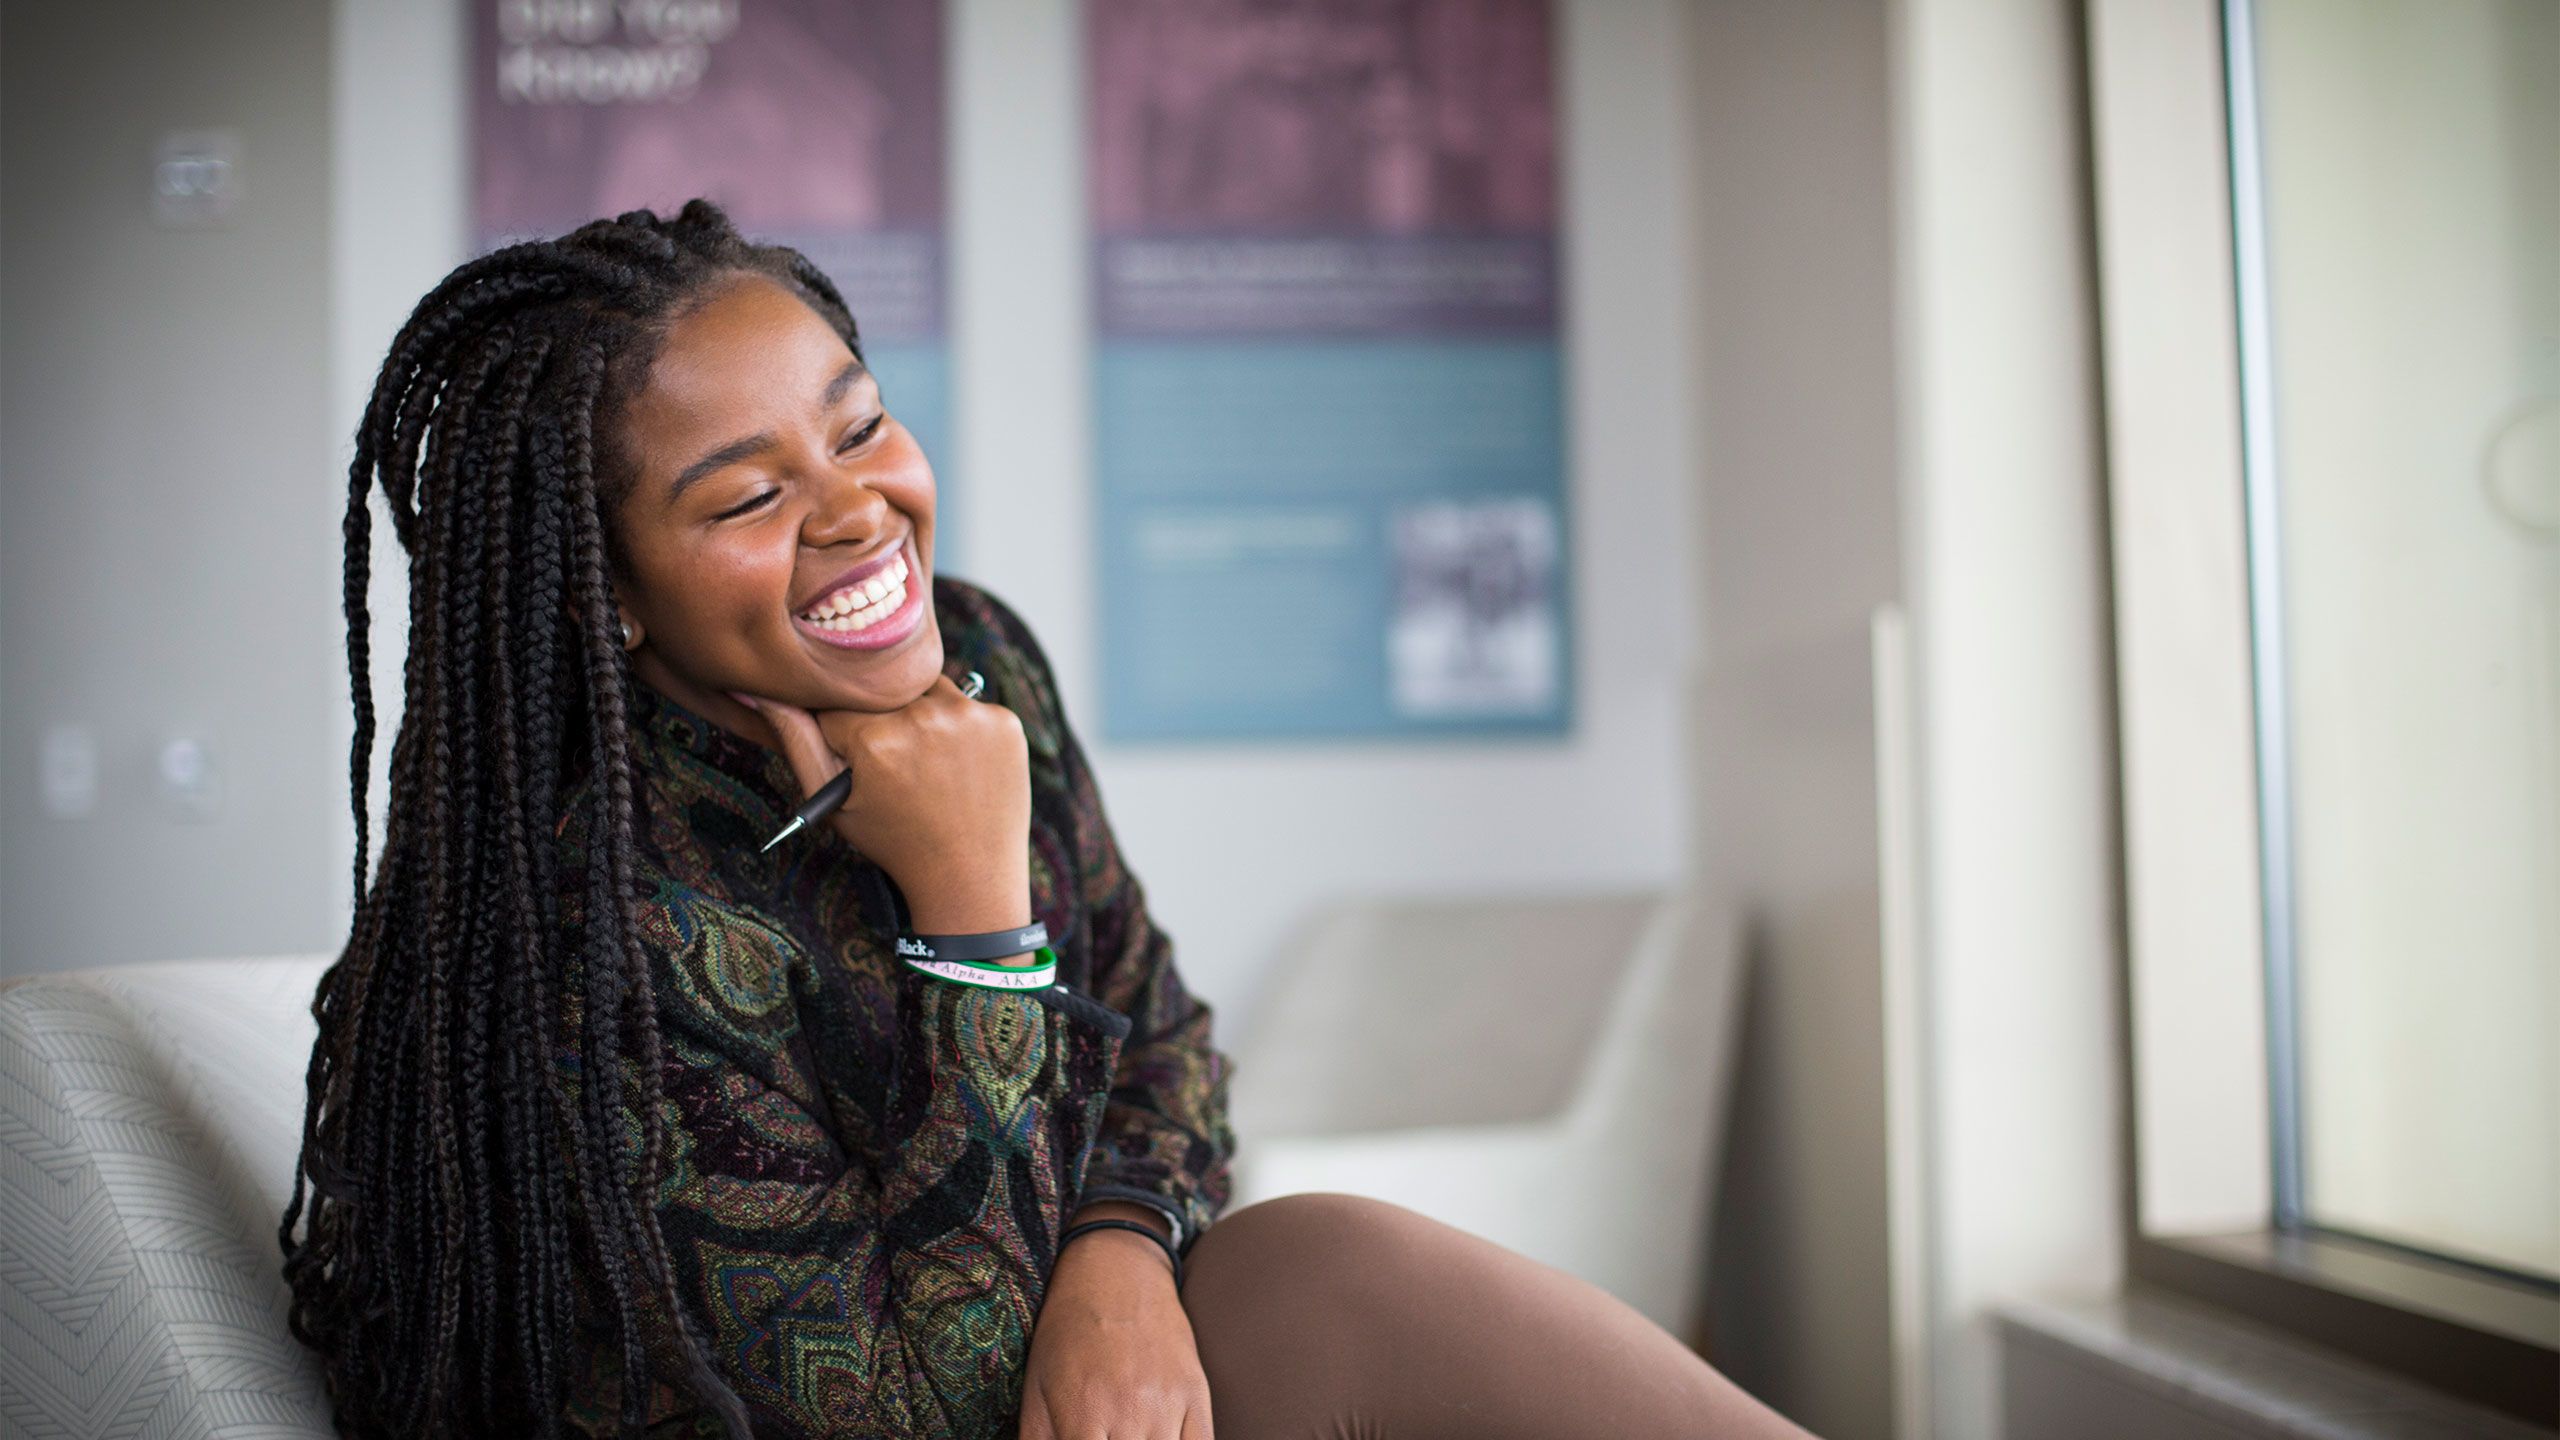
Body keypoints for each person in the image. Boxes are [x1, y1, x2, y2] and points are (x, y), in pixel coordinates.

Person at [280, 200, 1816, 1440]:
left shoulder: (977, 665)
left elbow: (1165, 1041)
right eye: (745, 499)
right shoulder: (594, 930)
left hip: (1083, 1359)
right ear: (607, 591)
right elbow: (916, 1406)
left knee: (1318, 1263)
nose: (853, 508)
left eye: (860, 424)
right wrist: (972, 915)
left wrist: (1124, 1251)